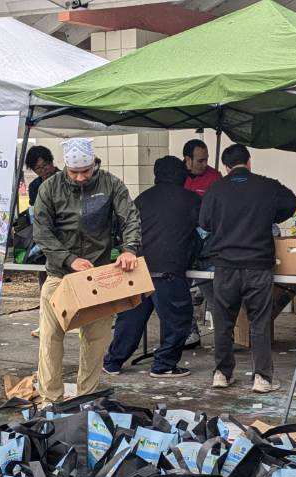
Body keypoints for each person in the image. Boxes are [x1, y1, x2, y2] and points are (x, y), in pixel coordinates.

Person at [33, 138, 141, 405]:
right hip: (60, 275)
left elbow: (130, 218)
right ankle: (50, 398)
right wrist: (69, 259)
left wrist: (129, 249)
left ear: (94, 164)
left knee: (95, 341)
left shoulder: (111, 184)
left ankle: (87, 396)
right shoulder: (49, 188)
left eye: (86, 171)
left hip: (100, 274)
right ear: (65, 167)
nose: (81, 177)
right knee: (50, 338)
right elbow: (42, 233)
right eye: (74, 172)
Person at [199, 144, 296, 393]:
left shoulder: (216, 188)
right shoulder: (267, 185)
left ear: (225, 166)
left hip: (225, 266)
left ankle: (222, 373)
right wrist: (270, 216)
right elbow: (292, 202)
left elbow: (204, 222)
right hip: (258, 265)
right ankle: (262, 378)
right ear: (249, 161)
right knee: (259, 322)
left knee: (224, 321)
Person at [103, 156, 200, 378]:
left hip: (137, 267)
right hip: (169, 270)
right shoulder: (191, 200)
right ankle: (163, 365)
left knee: (131, 319)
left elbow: (124, 229)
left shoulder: (142, 199)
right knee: (177, 320)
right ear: (181, 174)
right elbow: (204, 227)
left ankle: (113, 362)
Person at [183, 139, 223, 348]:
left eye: (206, 159)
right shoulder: (178, 177)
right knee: (181, 292)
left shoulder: (214, 177)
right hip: (182, 242)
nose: (204, 164)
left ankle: (224, 335)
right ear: (187, 160)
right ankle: (190, 333)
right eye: (200, 160)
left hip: (207, 244)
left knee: (212, 290)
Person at [25, 145, 60, 338]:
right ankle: (45, 322)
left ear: (52, 162)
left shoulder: (65, 179)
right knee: (45, 283)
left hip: (65, 240)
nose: (43, 171)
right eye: (38, 169)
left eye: (45, 166)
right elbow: (34, 214)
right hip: (44, 240)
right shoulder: (34, 186)